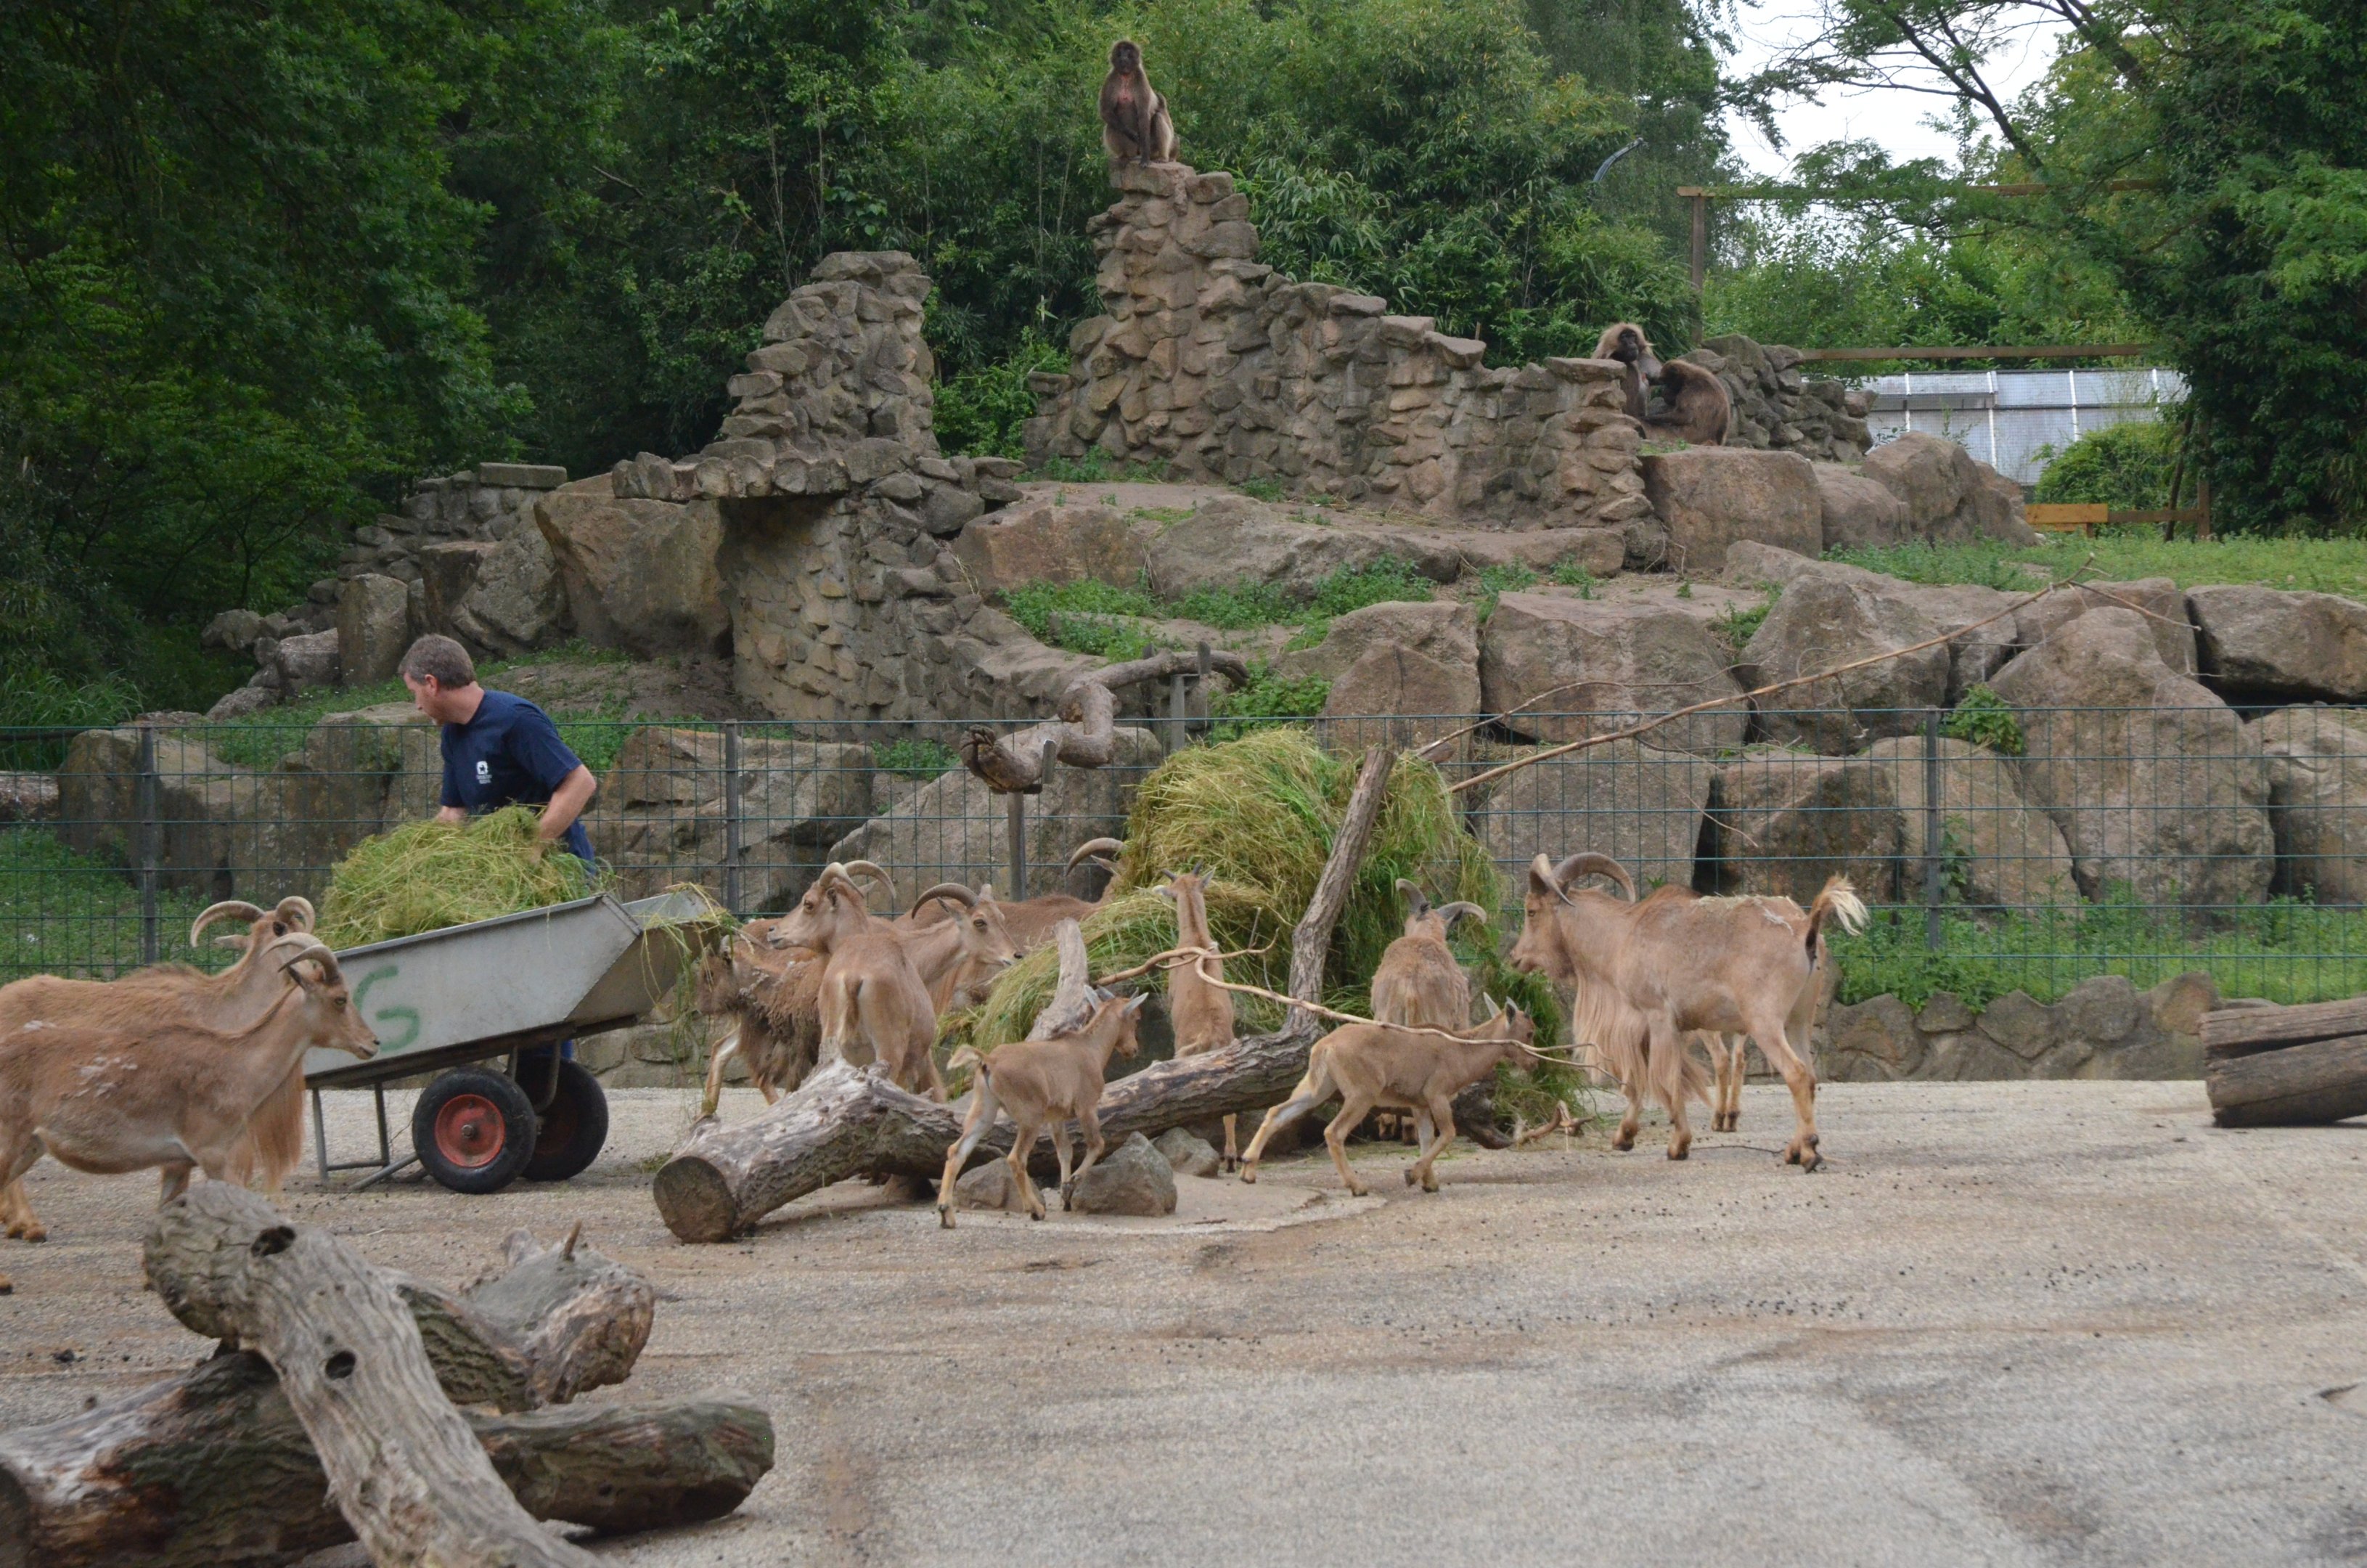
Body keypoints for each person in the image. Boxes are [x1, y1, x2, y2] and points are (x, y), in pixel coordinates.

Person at [401, 633, 599, 1072]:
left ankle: (548, 1091)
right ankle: (523, 1095)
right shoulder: (453, 737)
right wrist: (415, 863)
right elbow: (453, 812)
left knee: (545, 992)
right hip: (503, 881)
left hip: (552, 875)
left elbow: (579, 783)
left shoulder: (515, 720)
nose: (416, 705)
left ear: (431, 683)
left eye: (414, 693)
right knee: (512, 988)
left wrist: (534, 844)